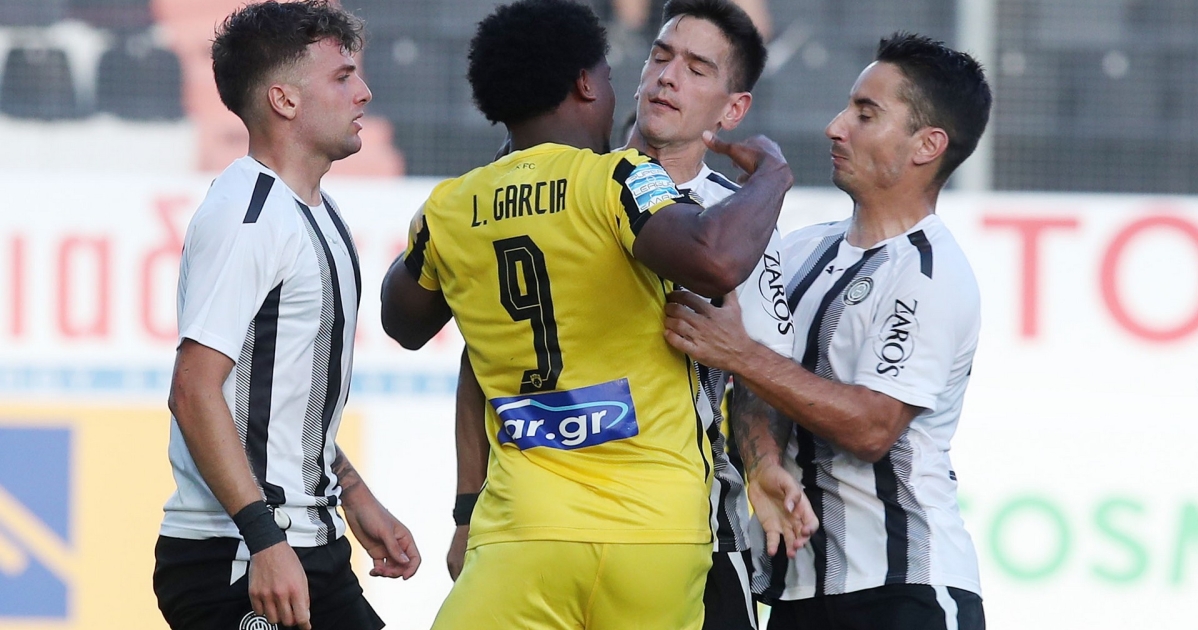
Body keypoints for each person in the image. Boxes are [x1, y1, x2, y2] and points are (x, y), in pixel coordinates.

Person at [379, 0, 795, 627]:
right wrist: (775, 174)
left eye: (696, 68)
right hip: (654, 529)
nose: (663, 77)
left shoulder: (452, 206)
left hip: (545, 529)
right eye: (656, 57)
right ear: (586, 84)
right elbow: (714, 257)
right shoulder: (621, 180)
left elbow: (403, 322)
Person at [663, 32, 991, 630]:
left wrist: (740, 354)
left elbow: (872, 427)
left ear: (927, 145)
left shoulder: (931, 274)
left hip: (904, 590)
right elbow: (760, 383)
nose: (835, 127)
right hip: (798, 591)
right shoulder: (800, 250)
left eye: (865, 114)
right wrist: (762, 460)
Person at [152, 3, 420, 629]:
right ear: (284, 99)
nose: (364, 91)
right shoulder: (248, 216)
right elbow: (193, 389)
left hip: (306, 546)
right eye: (342, 77)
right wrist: (264, 540)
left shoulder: (315, 210)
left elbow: (278, 401)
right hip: (236, 555)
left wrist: (354, 493)